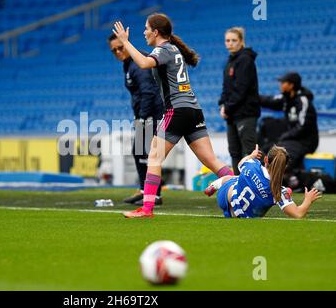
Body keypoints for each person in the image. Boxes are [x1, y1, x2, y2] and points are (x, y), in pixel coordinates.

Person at [112, 13, 233, 219]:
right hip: (193, 110)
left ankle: (147, 209)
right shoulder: (174, 49)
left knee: (154, 158)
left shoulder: (163, 49)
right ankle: (245, 190)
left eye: (146, 28)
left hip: (176, 111)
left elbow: (143, 63)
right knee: (212, 161)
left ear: (156, 32)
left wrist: (125, 42)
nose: (144, 32)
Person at [108, 33, 165, 206]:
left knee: (146, 152)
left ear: (127, 44)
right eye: (114, 50)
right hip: (148, 114)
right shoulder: (129, 63)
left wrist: (142, 117)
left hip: (154, 114)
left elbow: (148, 92)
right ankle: (145, 190)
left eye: (120, 47)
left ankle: (153, 193)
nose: (118, 52)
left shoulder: (137, 64)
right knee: (141, 152)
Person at [204, 144, 322, 218]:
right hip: (242, 217)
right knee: (278, 196)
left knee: (233, 178)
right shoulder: (279, 192)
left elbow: (240, 163)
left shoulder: (252, 165)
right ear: (285, 167)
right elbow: (298, 214)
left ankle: (214, 185)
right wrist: (308, 200)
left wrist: (252, 155)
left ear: (266, 159)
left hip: (225, 199)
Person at [259, 72, 319, 178]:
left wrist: (285, 136)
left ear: (291, 85)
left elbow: (303, 126)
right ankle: (265, 176)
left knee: (282, 152)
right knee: (266, 149)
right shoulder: (286, 98)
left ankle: (284, 179)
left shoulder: (303, 100)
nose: (280, 85)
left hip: (306, 141)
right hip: (291, 139)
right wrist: (252, 97)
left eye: (283, 82)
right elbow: (270, 101)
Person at [219, 27, 260, 175]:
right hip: (232, 114)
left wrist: (227, 107)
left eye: (234, 40)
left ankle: (255, 187)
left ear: (241, 41)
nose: (230, 43)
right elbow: (226, 87)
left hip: (246, 114)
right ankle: (238, 186)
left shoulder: (245, 60)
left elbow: (241, 90)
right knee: (234, 152)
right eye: (227, 40)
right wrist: (222, 104)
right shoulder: (230, 61)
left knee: (250, 152)